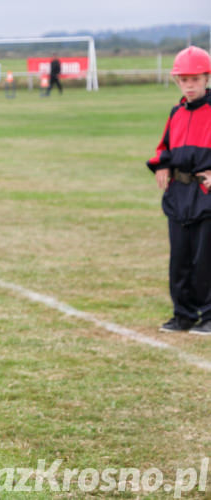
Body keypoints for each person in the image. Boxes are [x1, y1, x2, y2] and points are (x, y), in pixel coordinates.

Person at [146, 45, 211, 334]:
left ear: (207, 78)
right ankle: (183, 314)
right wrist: (162, 164)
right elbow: (165, 148)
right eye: (183, 79)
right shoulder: (177, 113)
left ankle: (208, 315)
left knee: (205, 259)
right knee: (180, 258)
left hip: (206, 196)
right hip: (179, 195)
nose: (189, 85)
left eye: (195, 79)